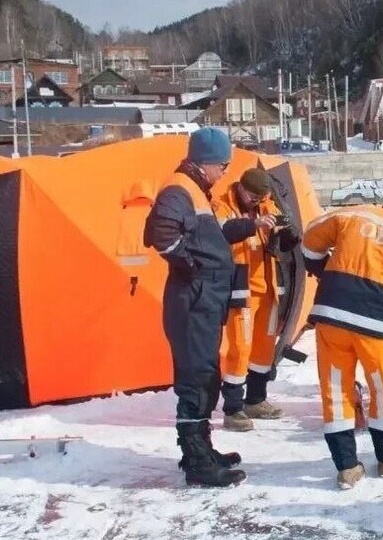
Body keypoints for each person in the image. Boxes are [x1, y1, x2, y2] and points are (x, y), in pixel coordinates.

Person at [301, 179, 383, 490]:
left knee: (336, 389)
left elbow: (310, 236)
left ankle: (347, 467)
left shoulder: (356, 214)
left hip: (332, 316)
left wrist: (323, 270)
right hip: (377, 327)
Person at [143, 127, 246, 487]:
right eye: (223, 165)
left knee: (206, 375)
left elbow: (205, 237)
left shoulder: (195, 190)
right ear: (205, 163)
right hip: (193, 300)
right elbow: (161, 233)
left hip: (203, 301)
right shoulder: (179, 189)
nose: (226, 172)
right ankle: (197, 462)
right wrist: (191, 267)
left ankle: (201, 448)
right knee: (196, 380)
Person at [212, 168, 301, 431]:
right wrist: (255, 225)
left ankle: (256, 399)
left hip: (268, 288)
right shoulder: (222, 206)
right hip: (241, 289)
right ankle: (233, 408)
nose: (256, 202)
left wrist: (287, 231)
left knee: (264, 348)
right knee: (240, 348)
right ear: (241, 188)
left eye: (260, 198)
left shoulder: (266, 204)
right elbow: (222, 232)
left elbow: (283, 241)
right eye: (252, 197)